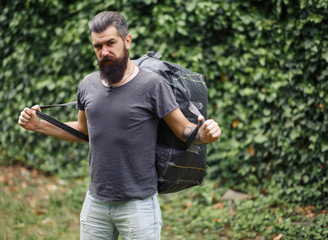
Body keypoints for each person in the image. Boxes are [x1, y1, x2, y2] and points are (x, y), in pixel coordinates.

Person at [18, 11, 221, 240]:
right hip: (96, 202)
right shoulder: (88, 84)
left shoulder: (152, 85)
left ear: (127, 41)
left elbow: (184, 130)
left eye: (110, 43)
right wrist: (39, 125)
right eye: (98, 46)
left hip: (139, 205)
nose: (104, 52)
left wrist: (203, 134)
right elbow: (84, 130)